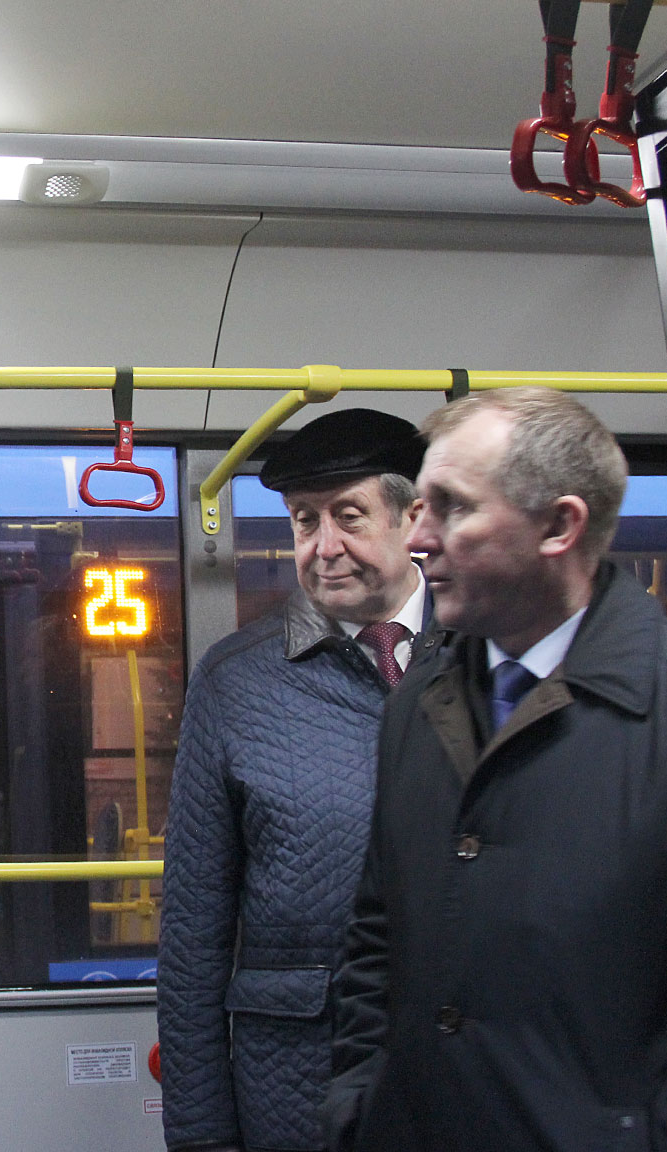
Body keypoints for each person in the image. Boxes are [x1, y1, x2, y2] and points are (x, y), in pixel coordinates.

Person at [320, 388, 667, 1152]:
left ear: (559, 526)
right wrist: (361, 1105)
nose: (418, 539)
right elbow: (377, 939)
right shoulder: (418, 701)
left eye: (451, 508)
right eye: (418, 508)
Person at [157, 408, 438, 1152]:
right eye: (304, 521)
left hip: (465, 1077)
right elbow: (193, 935)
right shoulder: (237, 681)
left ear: (413, 518)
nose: (324, 547)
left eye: (349, 516)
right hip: (297, 1079)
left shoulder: (486, 651)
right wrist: (202, 1137)